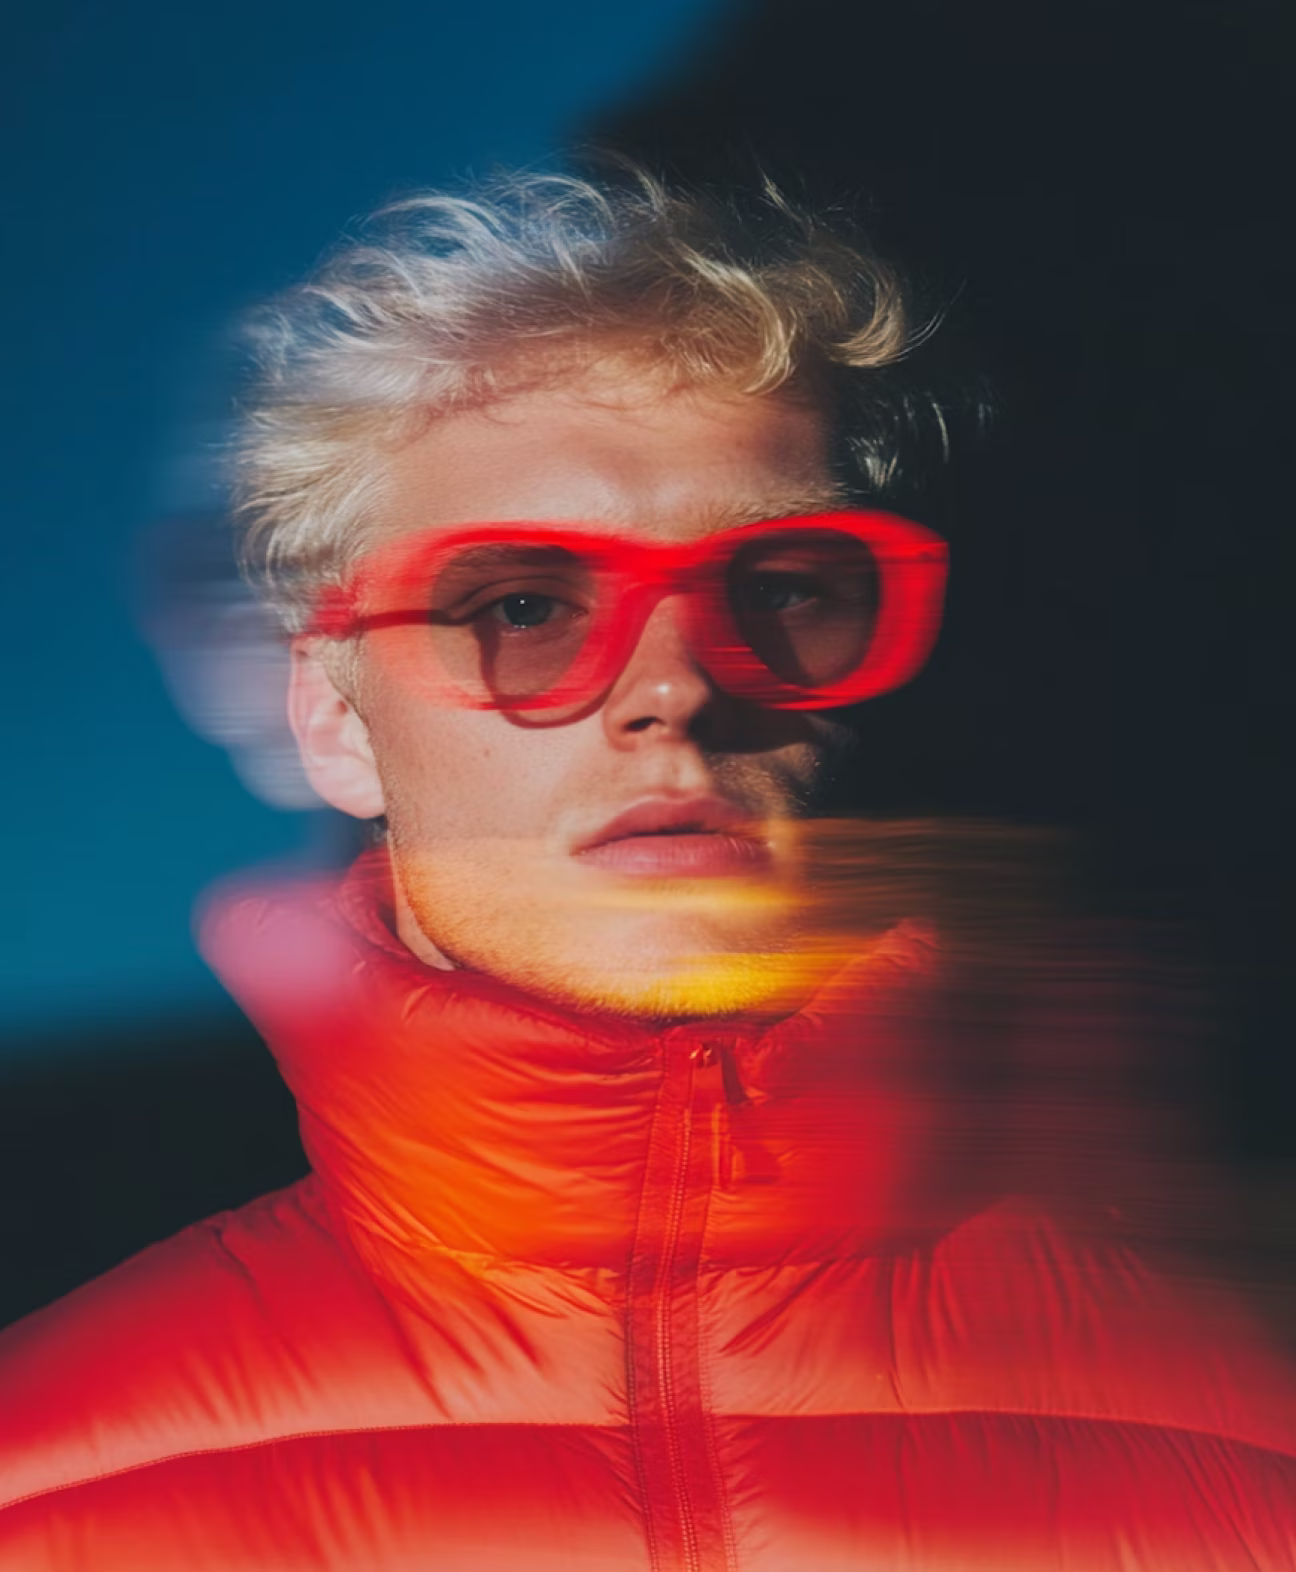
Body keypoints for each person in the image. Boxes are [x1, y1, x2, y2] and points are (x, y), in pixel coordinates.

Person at [1, 166, 1293, 1571]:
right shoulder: (44, 1478)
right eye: (526, 608)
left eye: (785, 590)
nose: (672, 686)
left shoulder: (1258, 1430)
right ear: (334, 720)